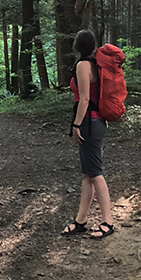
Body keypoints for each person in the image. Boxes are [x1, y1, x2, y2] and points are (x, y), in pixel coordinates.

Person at [61, 29, 115, 239]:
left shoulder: (84, 65)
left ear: (76, 46)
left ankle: (108, 222)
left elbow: (84, 99)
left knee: (96, 174)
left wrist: (76, 125)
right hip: (93, 121)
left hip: (89, 122)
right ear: (93, 45)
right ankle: (81, 220)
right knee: (87, 175)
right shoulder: (93, 64)